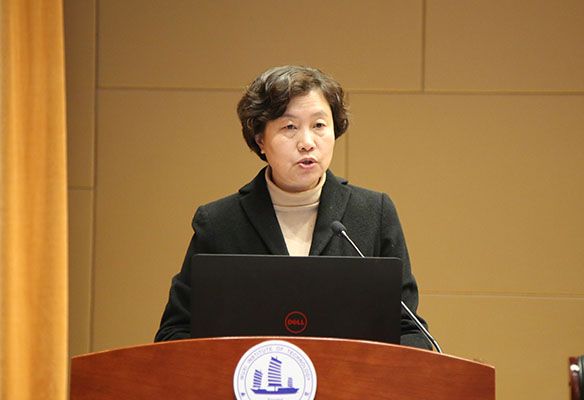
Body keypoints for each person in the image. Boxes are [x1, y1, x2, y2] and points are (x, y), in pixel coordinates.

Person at [155, 65, 431, 349]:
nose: (307, 143)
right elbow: (175, 333)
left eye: (319, 125)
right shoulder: (219, 222)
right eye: (289, 127)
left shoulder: (373, 213)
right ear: (260, 140)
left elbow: (409, 330)